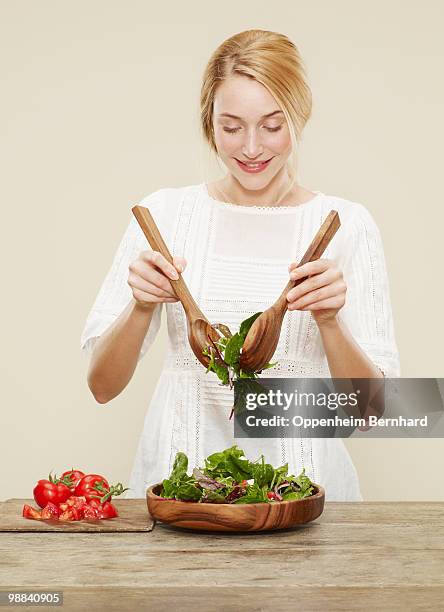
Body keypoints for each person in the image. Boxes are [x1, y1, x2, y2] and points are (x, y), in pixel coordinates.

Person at [80, 29, 400, 501]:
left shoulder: (347, 225)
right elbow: (102, 387)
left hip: (307, 501)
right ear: (209, 122)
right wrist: (141, 307)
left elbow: (370, 412)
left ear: (299, 116)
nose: (251, 148)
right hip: (179, 495)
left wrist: (330, 322)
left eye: (272, 126)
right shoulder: (166, 216)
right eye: (231, 127)